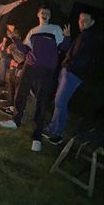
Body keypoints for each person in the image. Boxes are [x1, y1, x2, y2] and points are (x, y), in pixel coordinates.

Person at [0, 5, 71, 152]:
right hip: (30, 65)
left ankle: (37, 137)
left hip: (47, 69)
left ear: (49, 16)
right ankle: (15, 120)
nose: (44, 14)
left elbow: (63, 48)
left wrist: (68, 37)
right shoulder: (33, 31)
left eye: (47, 12)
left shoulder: (55, 29)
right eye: (42, 12)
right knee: (21, 92)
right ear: (38, 15)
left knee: (42, 100)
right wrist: (14, 38)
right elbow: (26, 49)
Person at [43, 11, 97, 145]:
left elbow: (84, 59)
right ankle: (52, 128)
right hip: (68, 71)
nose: (82, 22)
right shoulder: (83, 35)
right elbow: (74, 51)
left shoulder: (89, 37)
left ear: (92, 22)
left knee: (61, 102)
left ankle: (57, 134)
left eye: (85, 20)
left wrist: (68, 66)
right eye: (80, 19)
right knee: (59, 101)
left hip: (73, 73)